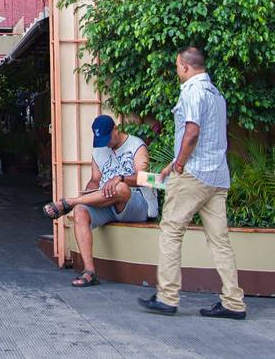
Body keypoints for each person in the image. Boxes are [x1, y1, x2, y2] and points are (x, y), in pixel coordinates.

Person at [138, 47, 246, 320]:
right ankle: (234, 302)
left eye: (177, 66)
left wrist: (181, 164)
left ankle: (167, 296)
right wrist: (174, 161)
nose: (176, 71)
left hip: (194, 175)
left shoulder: (192, 91)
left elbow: (193, 131)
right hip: (217, 176)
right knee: (220, 240)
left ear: (185, 66)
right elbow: (207, 136)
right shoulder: (216, 94)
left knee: (171, 231)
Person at [43, 115, 156, 287]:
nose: (106, 144)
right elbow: (96, 179)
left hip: (135, 203)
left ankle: (69, 202)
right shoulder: (98, 149)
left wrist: (121, 178)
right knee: (80, 210)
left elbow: (148, 179)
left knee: (120, 188)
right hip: (108, 203)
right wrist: (89, 192)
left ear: (116, 129)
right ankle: (89, 272)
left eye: (108, 138)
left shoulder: (136, 145)